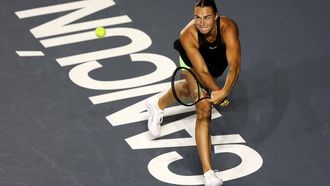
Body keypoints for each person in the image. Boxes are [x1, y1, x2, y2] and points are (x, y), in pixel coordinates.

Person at [146, 0, 240, 185]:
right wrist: (218, 92)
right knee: (204, 108)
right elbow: (202, 72)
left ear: (216, 17)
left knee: (193, 88)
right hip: (192, 63)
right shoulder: (188, 35)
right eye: (197, 17)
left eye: (206, 18)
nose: (202, 23)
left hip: (215, 63)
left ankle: (156, 104)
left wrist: (225, 91)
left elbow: (235, 65)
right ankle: (209, 174)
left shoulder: (229, 28)